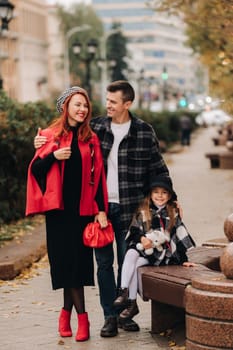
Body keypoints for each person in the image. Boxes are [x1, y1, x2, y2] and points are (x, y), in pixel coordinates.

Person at [34, 80, 171, 337]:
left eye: (112, 102)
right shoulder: (96, 127)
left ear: (127, 104)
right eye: (106, 100)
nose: (106, 105)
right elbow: (66, 133)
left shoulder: (143, 131)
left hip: (131, 209)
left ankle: (126, 312)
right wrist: (41, 143)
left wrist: (170, 202)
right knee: (104, 265)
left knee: (129, 263)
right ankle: (110, 316)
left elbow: (158, 169)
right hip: (100, 210)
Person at [26, 86, 108, 342]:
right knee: (65, 267)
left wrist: (101, 210)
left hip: (82, 213)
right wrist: (53, 155)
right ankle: (75, 318)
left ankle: (74, 316)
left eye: (85, 106)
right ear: (66, 107)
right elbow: (35, 170)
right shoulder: (50, 136)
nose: (82, 109)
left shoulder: (90, 139)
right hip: (59, 215)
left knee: (79, 269)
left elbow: (98, 177)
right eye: (77, 105)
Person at [113, 175, 196, 323]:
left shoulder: (172, 212)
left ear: (169, 195)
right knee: (132, 255)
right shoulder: (143, 210)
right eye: (156, 192)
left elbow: (179, 235)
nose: (160, 196)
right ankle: (125, 294)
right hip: (145, 249)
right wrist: (142, 239)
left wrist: (184, 260)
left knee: (135, 263)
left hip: (162, 254)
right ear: (150, 194)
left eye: (164, 192)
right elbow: (134, 231)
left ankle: (130, 301)